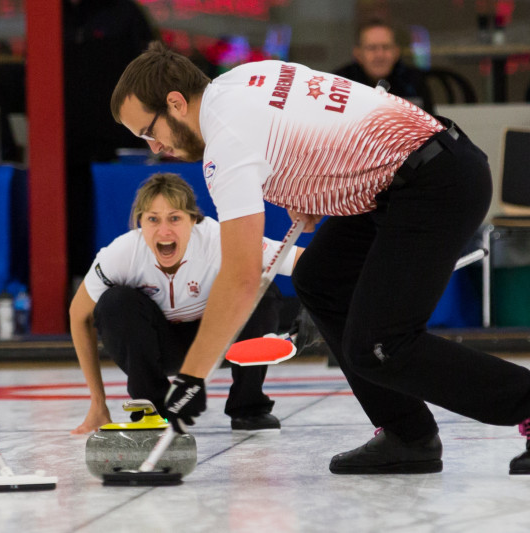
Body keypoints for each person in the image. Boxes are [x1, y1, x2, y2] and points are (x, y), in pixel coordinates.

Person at [110, 42, 530, 476]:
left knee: (381, 345)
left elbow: (240, 278)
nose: (155, 146)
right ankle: (408, 435)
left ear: (176, 103)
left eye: (148, 131)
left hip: (433, 184)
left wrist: (192, 376)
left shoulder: (226, 141)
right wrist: (313, 187)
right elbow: (326, 121)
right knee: (319, 278)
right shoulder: (240, 82)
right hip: (413, 172)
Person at [69, 172, 301, 434]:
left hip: (220, 341)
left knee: (260, 289)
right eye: (153, 219)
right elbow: (79, 315)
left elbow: (296, 259)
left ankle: (248, 407)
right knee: (114, 302)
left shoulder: (219, 239)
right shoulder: (121, 254)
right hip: (158, 348)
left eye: (175, 218)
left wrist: (332, 298)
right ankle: (152, 409)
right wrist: (98, 403)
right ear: (140, 223)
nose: (164, 230)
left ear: (194, 220)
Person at [63, 0, 157, 279]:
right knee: (74, 215)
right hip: (67, 141)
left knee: (122, 211)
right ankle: (79, 280)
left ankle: (127, 278)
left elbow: (153, 68)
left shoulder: (125, 13)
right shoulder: (57, 15)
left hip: (119, 137)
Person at [334, 18, 434, 113]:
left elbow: (433, 126)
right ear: (358, 54)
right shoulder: (340, 82)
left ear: (396, 52)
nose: (380, 55)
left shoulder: (414, 81)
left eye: (386, 47)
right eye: (372, 48)